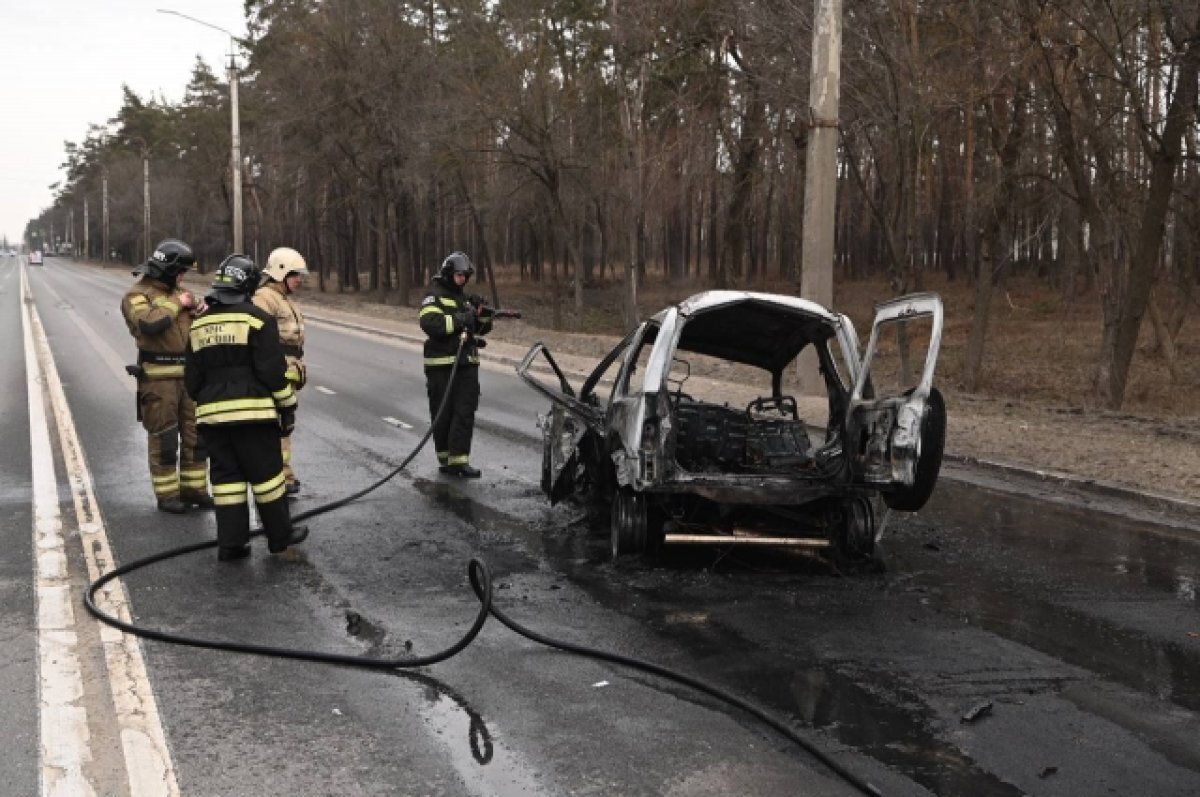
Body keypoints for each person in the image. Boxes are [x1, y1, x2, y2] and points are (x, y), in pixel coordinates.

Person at [185, 254, 308, 561]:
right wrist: (288, 407)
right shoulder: (257, 319)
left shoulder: (199, 325)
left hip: (213, 419)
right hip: (253, 416)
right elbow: (272, 373)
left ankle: (231, 543)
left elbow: (192, 381)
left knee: (227, 482)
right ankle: (280, 538)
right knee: (268, 478)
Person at [120, 238, 214, 513]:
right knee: (165, 438)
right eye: (181, 271)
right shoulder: (137, 295)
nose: (183, 277)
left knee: (196, 437)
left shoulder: (180, 293)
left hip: (189, 379)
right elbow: (150, 323)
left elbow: (191, 322)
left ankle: (195, 489)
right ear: (168, 269)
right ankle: (168, 496)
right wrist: (178, 303)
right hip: (158, 381)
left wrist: (200, 312)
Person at [418, 251, 492, 478]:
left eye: (466, 276)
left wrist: (482, 314)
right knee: (443, 414)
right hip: (441, 366)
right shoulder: (435, 296)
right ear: (449, 274)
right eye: (460, 276)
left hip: (466, 364)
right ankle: (446, 459)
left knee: (465, 412)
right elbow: (430, 323)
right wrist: (461, 319)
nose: (463, 280)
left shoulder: (465, 299)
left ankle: (460, 460)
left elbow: (481, 329)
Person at [252, 246, 309, 496]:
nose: (299, 279)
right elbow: (261, 338)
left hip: (289, 370)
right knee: (278, 425)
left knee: (285, 424)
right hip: (277, 371)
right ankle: (279, 478)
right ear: (280, 272)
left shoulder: (283, 298)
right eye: (295, 274)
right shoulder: (264, 298)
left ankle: (284, 474)